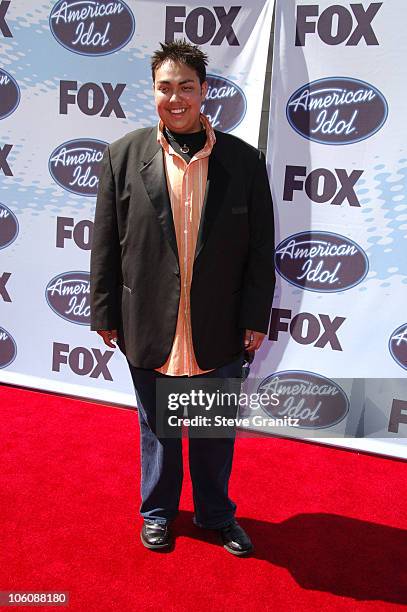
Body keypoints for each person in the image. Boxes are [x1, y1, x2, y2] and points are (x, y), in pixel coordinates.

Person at [90, 40, 275, 556]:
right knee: (159, 431)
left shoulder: (244, 161)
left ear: (204, 91)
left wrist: (254, 317)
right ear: (153, 92)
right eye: (164, 88)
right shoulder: (123, 155)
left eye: (186, 87)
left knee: (214, 433)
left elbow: (262, 249)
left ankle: (216, 515)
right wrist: (104, 311)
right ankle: (158, 513)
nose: (175, 98)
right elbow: (105, 241)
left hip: (217, 322)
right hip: (150, 320)